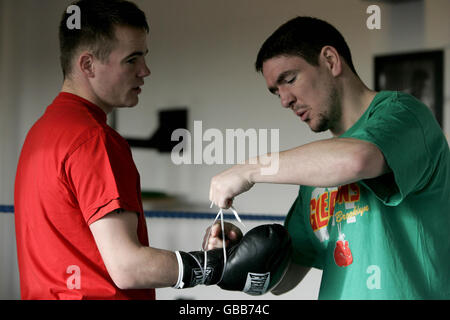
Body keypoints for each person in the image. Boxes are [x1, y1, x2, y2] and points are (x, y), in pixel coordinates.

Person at [206, 16, 450, 299]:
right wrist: (238, 257)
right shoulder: (318, 174)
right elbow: (283, 280)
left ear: (331, 60)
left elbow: (357, 160)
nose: (285, 100)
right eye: (277, 92)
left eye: (289, 80)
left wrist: (249, 169)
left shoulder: (405, 116)